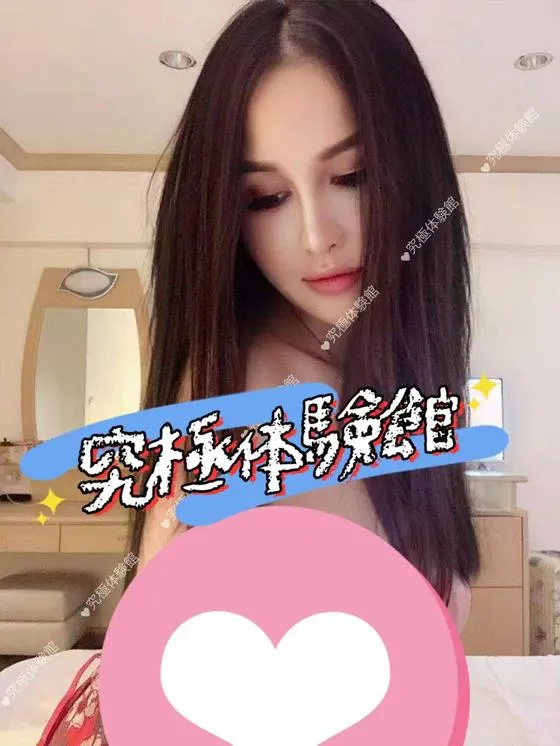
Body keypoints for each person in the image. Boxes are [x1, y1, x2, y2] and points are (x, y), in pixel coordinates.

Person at [38, 1, 478, 742]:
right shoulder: (261, 406)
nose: (316, 234)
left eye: (354, 175)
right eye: (266, 197)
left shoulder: (390, 379)